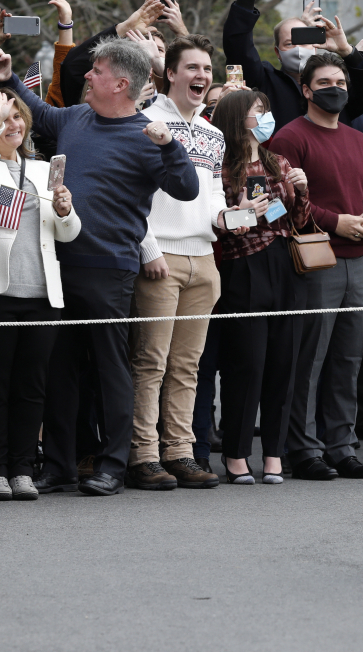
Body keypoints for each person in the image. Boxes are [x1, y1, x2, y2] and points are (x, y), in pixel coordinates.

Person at [0, 39, 199, 497]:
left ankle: (112, 464)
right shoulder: (76, 118)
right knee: (59, 368)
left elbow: (186, 188)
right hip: (56, 264)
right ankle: (61, 464)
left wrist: (170, 147)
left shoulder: (150, 135)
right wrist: (9, 76)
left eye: (96, 71)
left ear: (121, 84)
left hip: (110, 268)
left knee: (111, 368)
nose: (86, 76)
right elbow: (38, 112)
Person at [0, 89, 81, 501]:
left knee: (31, 386)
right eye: (5, 118)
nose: (14, 125)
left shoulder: (44, 169)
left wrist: (65, 211)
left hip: (42, 291)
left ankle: (23, 467)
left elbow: (67, 233)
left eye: (18, 117)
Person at [269, 51, 363, 481]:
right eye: (323, 83)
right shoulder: (289, 138)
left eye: (340, 81)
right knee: (310, 360)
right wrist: (339, 221)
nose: (334, 88)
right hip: (316, 260)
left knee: (348, 360)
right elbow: (282, 204)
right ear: (305, 89)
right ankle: (303, 448)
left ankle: (342, 446)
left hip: (361, 262)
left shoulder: (358, 139)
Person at [125, 34, 226, 491]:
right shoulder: (143, 122)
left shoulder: (214, 133)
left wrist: (231, 217)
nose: (201, 76)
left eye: (207, 69)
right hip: (160, 256)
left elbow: (214, 196)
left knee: (188, 365)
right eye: (192, 68)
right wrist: (148, 251)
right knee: (151, 363)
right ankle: (143, 454)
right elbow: (132, 197)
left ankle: (180, 452)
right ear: (170, 73)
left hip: (204, 259)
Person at [209, 89, 311, 484]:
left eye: (267, 110)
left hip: (284, 262)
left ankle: (274, 453)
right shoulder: (221, 167)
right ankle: (235, 454)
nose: (265, 116)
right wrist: (244, 214)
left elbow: (297, 220)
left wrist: (300, 190)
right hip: (242, 265)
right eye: (258, 110)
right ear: (239, 117)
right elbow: (224, 224)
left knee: (283, 363)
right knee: (246, 364)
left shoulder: (278, 161)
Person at [222, 0, 363, 130]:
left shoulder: (335, 85)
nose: (299, 49)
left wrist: (347, 51)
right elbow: (237, 45)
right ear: (277, 52)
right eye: (290, 43)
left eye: (305, 42)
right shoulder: (264, 81)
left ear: (316, 47)